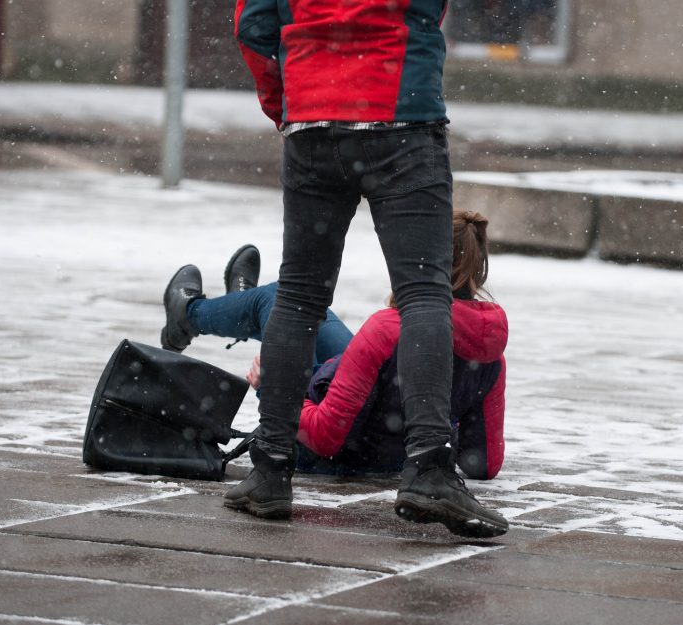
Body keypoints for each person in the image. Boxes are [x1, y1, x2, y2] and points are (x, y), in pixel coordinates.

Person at [169, 0, 506, 538]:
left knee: (300, 296)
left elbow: (252, 26)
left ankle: (272, 469)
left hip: (314, 121)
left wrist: (289, 102)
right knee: (422, 295)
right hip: (402, 114)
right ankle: (427, 468)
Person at [161, 212, 509, 537]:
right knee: (292, 310)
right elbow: (483, 463)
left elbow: (326, 436)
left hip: (334, 454)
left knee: (284, 300)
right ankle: (242, 305)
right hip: (386, 438)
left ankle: (190, 314)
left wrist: (275, 387)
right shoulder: (489, 352)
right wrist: (437, 426)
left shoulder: (389, 329)